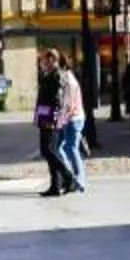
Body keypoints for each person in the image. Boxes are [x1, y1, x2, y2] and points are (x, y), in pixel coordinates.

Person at [32, 50, 69, 197]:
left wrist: (52, 120)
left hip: (50, 116)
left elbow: (57, 101)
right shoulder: (49, 75)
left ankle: (68, 177)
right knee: (49, 150)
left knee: (47, 150)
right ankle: (55, 185)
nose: (43, 63)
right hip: (44, 114)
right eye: (43, 61)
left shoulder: (57, 75)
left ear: (53, 60)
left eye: (46, 61)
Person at [52, 55, 88, 193]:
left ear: (62, 66)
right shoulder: (66, 79)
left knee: (71, 148)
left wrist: (59, 122)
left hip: (73, 119)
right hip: (70, 118)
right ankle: (68, 177)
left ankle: (78, 180)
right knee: (59, 147)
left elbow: (69, 106)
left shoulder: (69, 81)